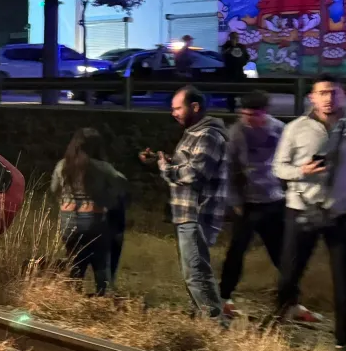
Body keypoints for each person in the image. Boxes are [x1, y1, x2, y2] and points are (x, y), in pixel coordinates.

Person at [272, 73, 346, 351]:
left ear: (343, 96)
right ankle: (277, 324)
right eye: (322, 92)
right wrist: (301, 172)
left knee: (343, 281)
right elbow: (278, 167)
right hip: (302, 209)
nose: (328, 98)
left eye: (333, 92)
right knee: (289, 274)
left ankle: (343, 343)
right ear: (312, 97)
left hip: (341, 214)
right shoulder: (296, 128)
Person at [220, 91, 322, 321]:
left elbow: (292, 162)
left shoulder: (279, 129)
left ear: (264, 113)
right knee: (236, 252)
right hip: (247, 205)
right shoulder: (236, 133)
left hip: (275, 201)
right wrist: (234, 202)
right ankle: (223, 298)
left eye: (253, 115)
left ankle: (292, 303)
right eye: (244, 114)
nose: (247, 119)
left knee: (283, 256)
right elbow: (226, 171)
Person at [142, 85, 229, 323]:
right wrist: (163, 159)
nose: (174, 113)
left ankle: (215, 323)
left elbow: (194, 174)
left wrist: (165, 168)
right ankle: (207, 317)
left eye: (177, 108)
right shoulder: (195, 133)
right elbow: (188, 163)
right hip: (187, 212)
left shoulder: (207, 135)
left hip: (197, 213)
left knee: (196, 272)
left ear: (195, 107)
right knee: (193, 270)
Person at [52, 128, 127, 294]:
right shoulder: (103, 167)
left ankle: (70, 297)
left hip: (67, 219)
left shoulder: (62, 165)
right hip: (93, 218)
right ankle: (103, 297)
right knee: (100, 263)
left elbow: (55, 189)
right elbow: (121, 184)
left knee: (75, 261)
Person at [220, 31, 249, 112]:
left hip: (240, 72)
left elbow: (246, 57)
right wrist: (231, 46)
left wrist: (242, 63)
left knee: (242, 91)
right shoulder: (226, 46)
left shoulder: (242, 47)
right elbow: (223, 56)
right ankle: (231, 109)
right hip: (230, 73)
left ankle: (245, 108)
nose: (235, 39)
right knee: (230, 92)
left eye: (236, 37)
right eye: (233, 37)